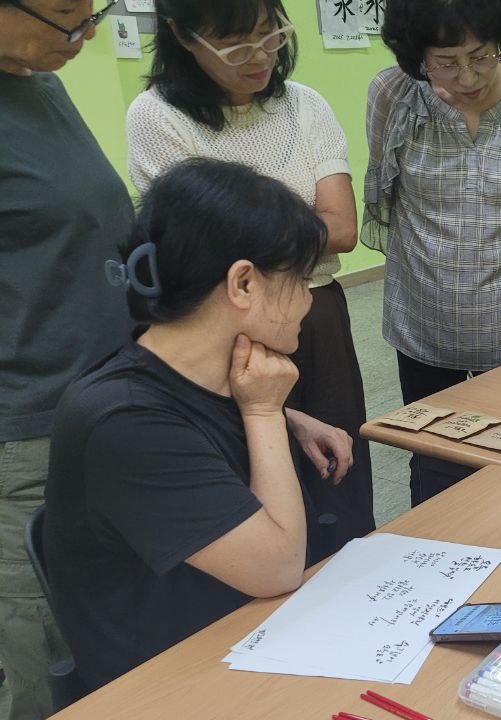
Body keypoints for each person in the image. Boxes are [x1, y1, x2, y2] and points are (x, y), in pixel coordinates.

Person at [43, 159, 323, 691]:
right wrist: (264, 413)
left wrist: (289, 417)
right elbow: (278, 568)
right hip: (173, 684)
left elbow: (194, 418)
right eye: (302, 280)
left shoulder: (191, 373)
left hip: (250, 636)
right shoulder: (123, 423)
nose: (309, 301)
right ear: (243, 282)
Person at [126, 0, 371, 548]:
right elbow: (203, 250)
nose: (261, 56)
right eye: (236, 45)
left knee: (341, 470)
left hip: (317, 314)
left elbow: (342, 228)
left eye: (271, 34)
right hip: (227, 328)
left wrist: (251, 237)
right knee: (251, 475)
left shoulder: (305, 106)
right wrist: (300, 229)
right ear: (183, 37)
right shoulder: (157, 116)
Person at [367, 0, 501, 503]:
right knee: (433, 453)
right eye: (445, 61)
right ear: (417, 54)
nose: (466, 76)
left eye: (481, 56)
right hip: (424, 313)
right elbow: (384, 194)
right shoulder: (393, 95)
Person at [0, 2, 134, 716]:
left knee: (118, 615)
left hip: (108, 400)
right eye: (65, 17)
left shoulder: (40, 81)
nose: (86, 35)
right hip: (27, 425)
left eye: (93, 13)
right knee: (47, 646)